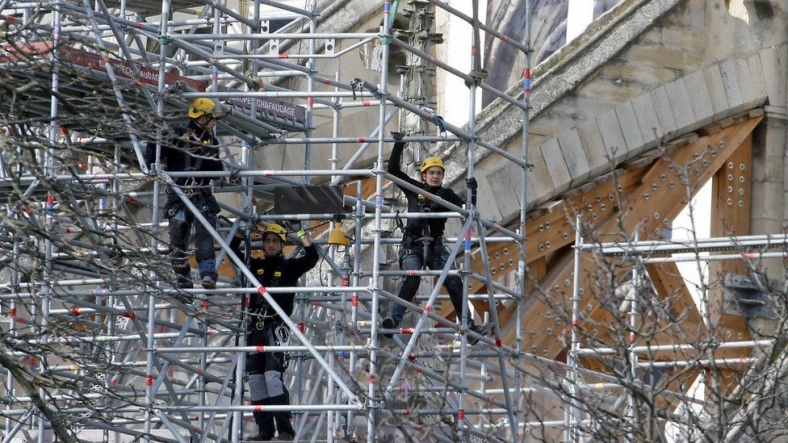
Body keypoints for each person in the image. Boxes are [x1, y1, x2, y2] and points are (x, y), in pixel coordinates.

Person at [382, 132, 490, 344]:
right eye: (431, 173)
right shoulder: (414, 190)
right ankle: (393, 320)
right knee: (412, 278)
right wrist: (399, 144)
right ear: (424, 175)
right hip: (412, 244)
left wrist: (472, 192)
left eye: (438, 173)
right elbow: (393, 171)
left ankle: (467, 326)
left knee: (453, 280)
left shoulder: (447, 194)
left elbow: (467, 211)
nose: (435, 176)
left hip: (435, 246)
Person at [230, 222, 318, 441]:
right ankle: (264, 430)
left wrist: (300, 232)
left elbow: (312, 257)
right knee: (256, 380)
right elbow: (232, 251)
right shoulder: (255, 265)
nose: (270, 245)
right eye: (267, 241)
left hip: (276, 328)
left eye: (274, 241)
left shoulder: (289, 267)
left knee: (272, 377)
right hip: (254, 328)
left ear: (281, 244)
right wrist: (241, 232)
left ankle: (285, 429)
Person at [144, 97, 226, 290]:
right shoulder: (178, 135)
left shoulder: (210, 141)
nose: (214, 123)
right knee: (177, 243)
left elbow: (216, 169)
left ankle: (207, 274)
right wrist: (153, 137)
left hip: (200, 196)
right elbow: (154, 152)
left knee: (204, 237)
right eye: (212, 118)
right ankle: (183, 282)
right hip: (179, 198)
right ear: (203, 118)